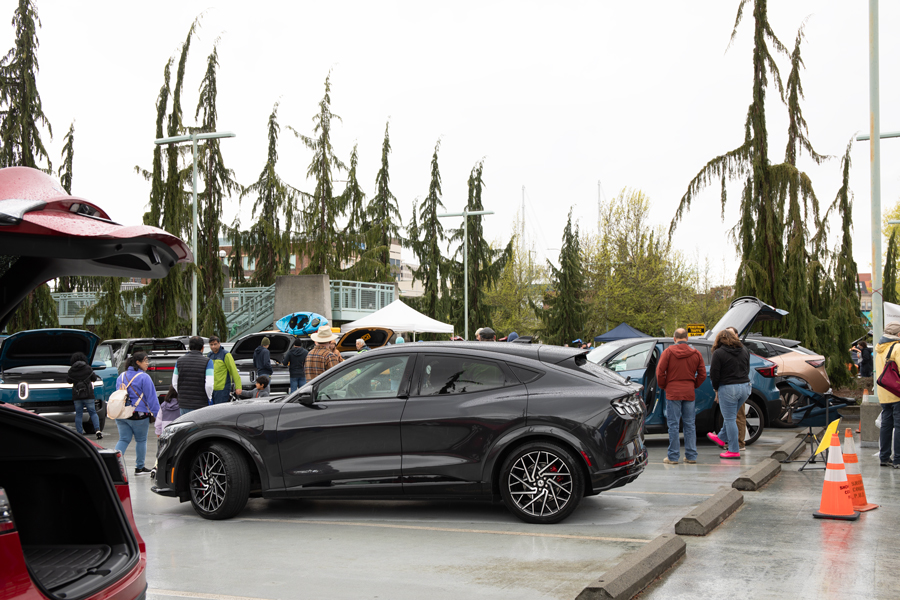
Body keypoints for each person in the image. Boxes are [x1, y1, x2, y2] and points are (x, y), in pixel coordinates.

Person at [656, 328, 706, 464]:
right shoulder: (696, 353)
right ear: (687, 338)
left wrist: (664, 386)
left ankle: (673, 457)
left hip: (673, 392)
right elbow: (703, 374)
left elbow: (660, 372)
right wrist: (693, 384)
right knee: (690, 424)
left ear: (674, 338)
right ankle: (691, 456)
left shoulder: (668, 352)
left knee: (673, 425)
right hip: (689, 392)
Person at [707, 329, 751, 459]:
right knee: (730, 417)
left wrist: (716, 389)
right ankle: (721, 437)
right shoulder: (744, 350)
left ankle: (733, 450)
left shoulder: (719, 353)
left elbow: (715, 374)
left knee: (730, 419)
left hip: (728, 388)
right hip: (745, 387)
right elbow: (747, 368)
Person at [114, 352, 160, 475]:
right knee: (141, 440)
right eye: (145, 361)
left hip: (122, 414)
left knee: (123, 439)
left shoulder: (121, 376)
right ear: (138, 363)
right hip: (138, 414)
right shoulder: (144, 377)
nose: (147, 363)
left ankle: (113, 465)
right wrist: (158, 415)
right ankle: (139, 468)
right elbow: (152, 399)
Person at [875, 322, 900, 468]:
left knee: (886, 425)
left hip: (884, 392)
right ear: (898, 335)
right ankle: (898, 459)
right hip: (897, 392)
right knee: (899, 426)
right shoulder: (897, 347)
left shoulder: (880, 348)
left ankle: (884, 457)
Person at [173, 336, 214, 416]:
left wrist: (182, 394)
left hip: (183, 403)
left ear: (189, 347)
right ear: (202, 348)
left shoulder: (179, 361)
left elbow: (174, 383)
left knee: (185, 426)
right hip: (201, 403)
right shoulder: (208, 362)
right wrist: (209, 397)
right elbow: (209, 385)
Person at [67, 351, 103, 439]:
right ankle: (97, 430)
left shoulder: (71, 370)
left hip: (77, 396)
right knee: (93, 412)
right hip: (88, 395)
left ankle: (79, 433)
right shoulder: (88, 368)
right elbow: (94, 378)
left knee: (79, 414)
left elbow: (68, 380)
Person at [725, 326, 747, 451]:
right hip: (730, 386)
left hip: (738, 385)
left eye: (731, 334)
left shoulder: (741, 350)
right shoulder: (724, 350)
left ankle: (739, 443)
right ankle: (731, 441)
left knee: (738, 415)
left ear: (737, 336)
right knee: (729, 417)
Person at [208, 335, 241, 405]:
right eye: (211, 345)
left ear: (219, 343)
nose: (213, 346)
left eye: (215, 344)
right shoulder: (209, 355)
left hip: (222, 389)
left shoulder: (226, 355)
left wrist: (238, 387)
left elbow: (234, 371)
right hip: (211, 389)